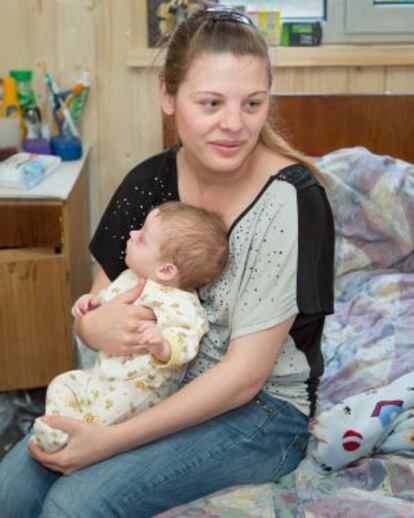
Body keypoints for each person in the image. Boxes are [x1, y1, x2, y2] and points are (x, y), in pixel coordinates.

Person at [0, 6, 335, 517]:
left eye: (253, 103)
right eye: (211, 102)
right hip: (151, 387)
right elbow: (99, 312)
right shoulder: (150, 183)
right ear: (168, 95)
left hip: (262, 413)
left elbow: (245, 377)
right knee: (11, 490)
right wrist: (93, 329)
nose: (234, 124)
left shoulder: (292, 200)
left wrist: (107, 442)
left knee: (74, 504)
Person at [33, 201, 228, 453]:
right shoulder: (130, 277)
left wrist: (163, 345)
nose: (132, 234)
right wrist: (91, 305)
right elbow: (104, 308)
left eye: (143, 237)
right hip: (101, 376)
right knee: (64, 382)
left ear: (166, 270)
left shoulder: (181, 304)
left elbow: (186, 341)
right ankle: (58, 430)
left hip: (137, 390)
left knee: (98, 418)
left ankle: (69, 441)